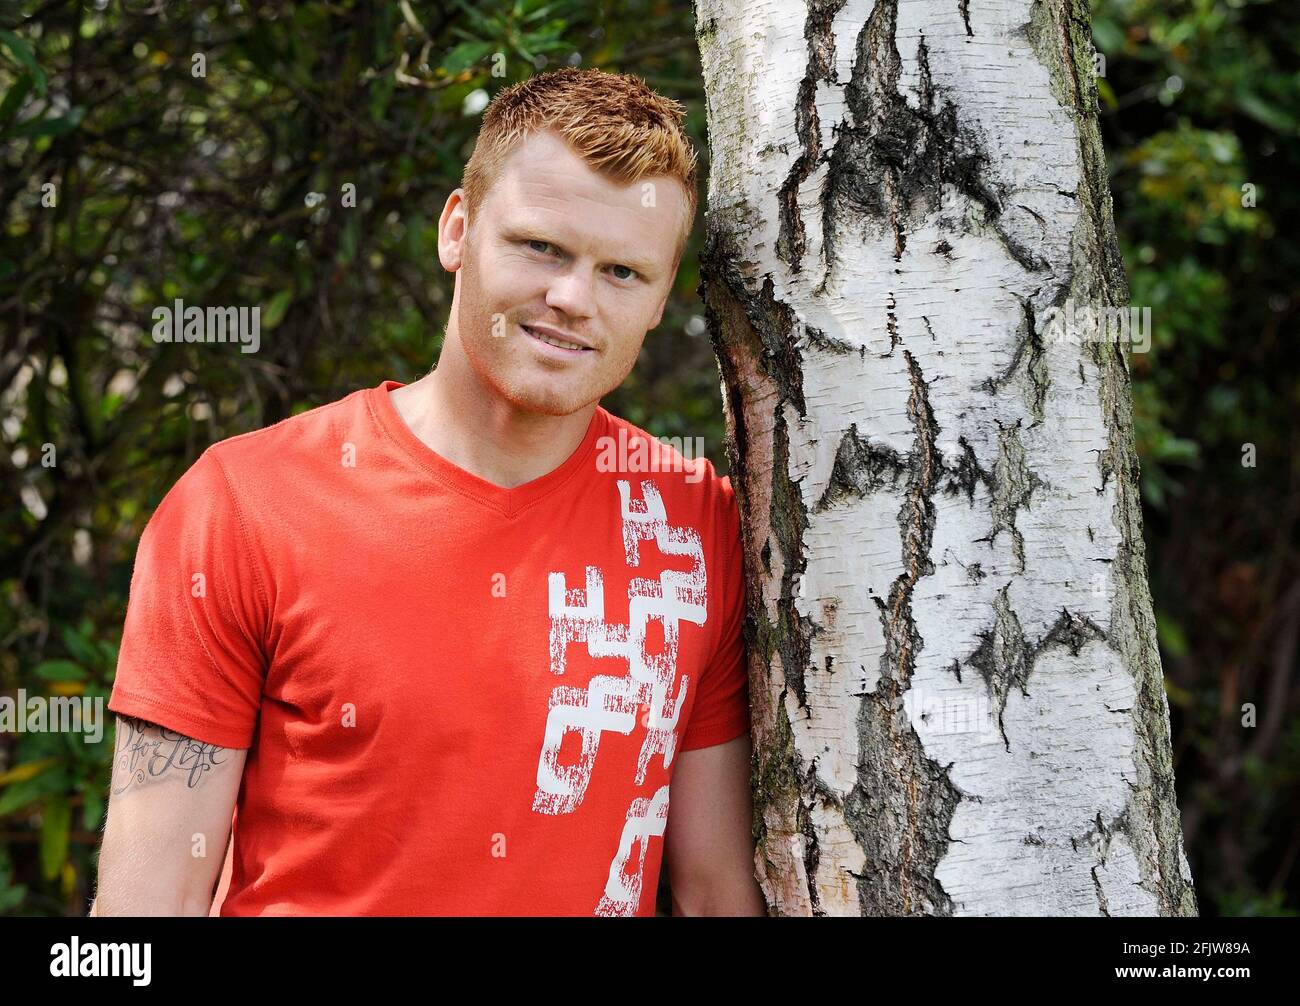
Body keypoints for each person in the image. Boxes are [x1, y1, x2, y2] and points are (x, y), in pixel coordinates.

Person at [90, 67, 765, 917]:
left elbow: (712, 894)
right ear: (457, 229)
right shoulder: (244, 504)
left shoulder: (695, 527)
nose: (571, 299)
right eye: (540, 247)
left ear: (663, 298)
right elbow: (146, 909)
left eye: (622, 272)